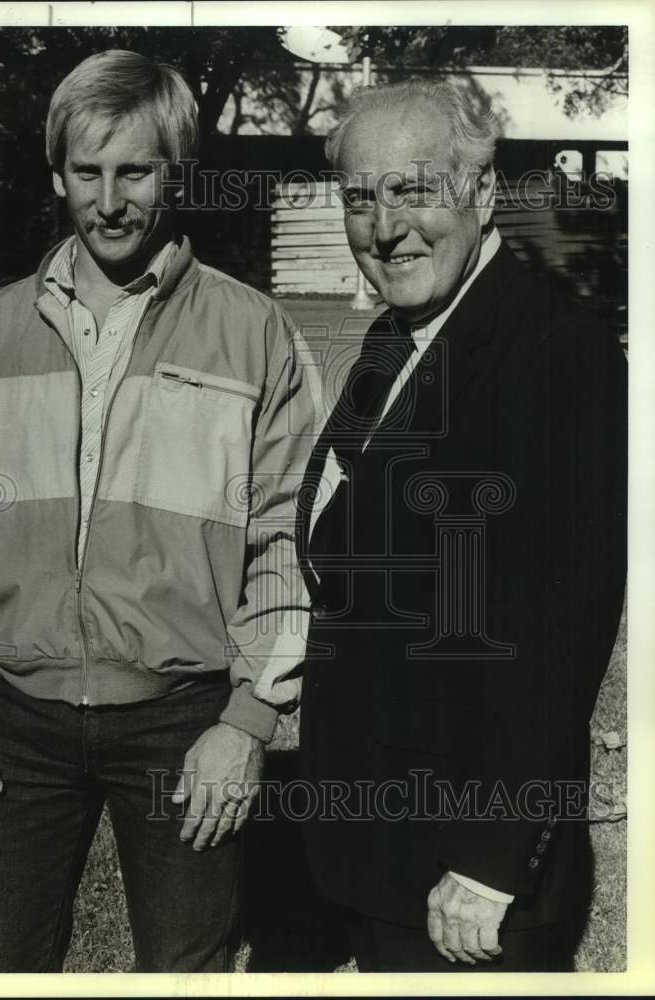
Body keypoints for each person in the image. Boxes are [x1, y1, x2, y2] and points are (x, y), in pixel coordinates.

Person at [0, 49, 320, 973]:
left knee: (187, 968)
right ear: (58, 174)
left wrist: (248, 718)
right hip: (18, 718)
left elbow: (289, 537)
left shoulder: (253, 333)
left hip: (181, 722)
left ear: (175, 173)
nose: (109, 199)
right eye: (86, 172)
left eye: (134, 170)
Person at [296, 79, 627, 972]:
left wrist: (487, 861)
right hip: (376, 848)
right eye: (361, 199)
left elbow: (563, 626)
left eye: (414, 191)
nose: (384, 226)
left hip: (464, 876)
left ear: (481, 194)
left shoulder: (557, 350)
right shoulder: (395, 339)